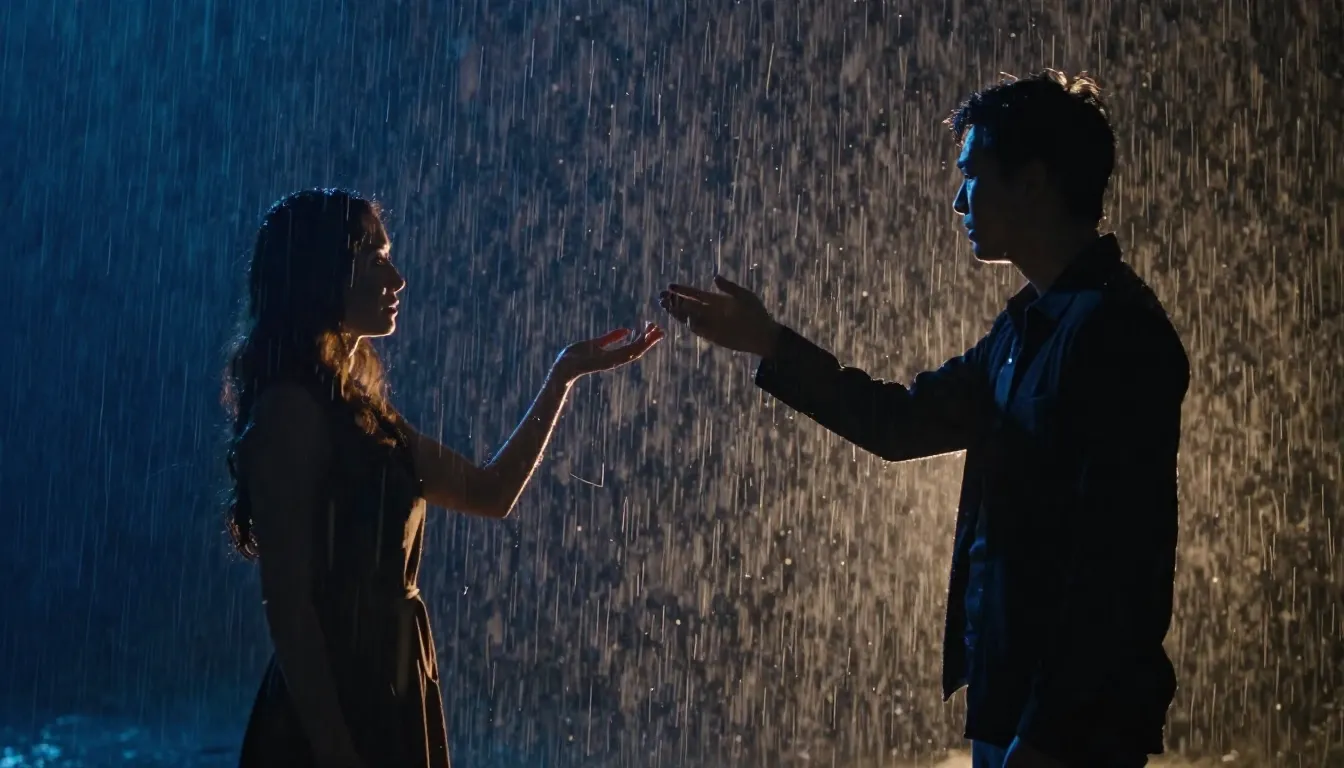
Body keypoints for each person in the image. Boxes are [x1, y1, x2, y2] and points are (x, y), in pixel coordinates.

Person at [659, 71, 1189, 768]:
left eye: (972, 175)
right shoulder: (1026, 329)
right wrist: (769, 342)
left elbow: (1118, 564)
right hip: (1015, 706)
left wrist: (1050, 734)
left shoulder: (1116, 333)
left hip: (1067, 729)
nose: (958, 200)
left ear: (1033, 183)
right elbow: (900, 422)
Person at [223, 188, 663, 768]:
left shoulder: (359, 411)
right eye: (375, 260)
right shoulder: (291, 411)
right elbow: (289, 608)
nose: (398, 279)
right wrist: (335, 751)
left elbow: (491, 492)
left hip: (390, 681)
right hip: (337, 700)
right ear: (322, 273)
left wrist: (565, 373)